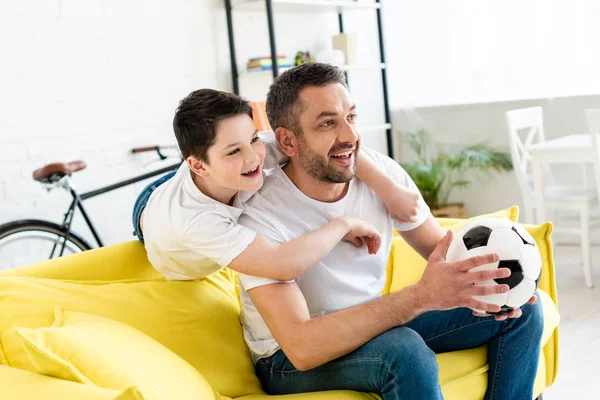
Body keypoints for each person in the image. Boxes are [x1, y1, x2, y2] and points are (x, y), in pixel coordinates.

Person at [236, 62, 544, 400]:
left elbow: (443, 250)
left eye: (351, 117)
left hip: (372, 324)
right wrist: (422, 296)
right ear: (288, 142)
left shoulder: (379, 175)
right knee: (404, 351)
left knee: (522, 308)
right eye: (327, 123)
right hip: (287, 358)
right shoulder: (259, 213)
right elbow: (302, 347)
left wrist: (491, 287)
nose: (350, 136)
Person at [131, 88, 420, 281]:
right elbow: (281, 265)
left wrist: (390, 190)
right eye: (234, 151)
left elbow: (327, 149)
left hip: (200, 177)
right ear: (197, 165)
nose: (253, 156)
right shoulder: (196, 221)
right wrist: (342, 225)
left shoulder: (253, 153)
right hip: (152, 213)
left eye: (254, 138)